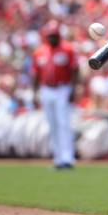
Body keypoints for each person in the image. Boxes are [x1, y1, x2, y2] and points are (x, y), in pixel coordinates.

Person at [32, 20, 79, 170]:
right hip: (46, 89)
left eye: (54, 35)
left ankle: (68, 158)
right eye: (50, 36)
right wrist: (35, 93)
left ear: (59, 36)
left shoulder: (67, 49)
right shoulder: (40, 51)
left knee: (64, 123)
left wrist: (73, 90)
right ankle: (58, 159)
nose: (52, 38)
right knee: (52, 125)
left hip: (62, 88)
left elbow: (74, 71)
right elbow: (35, 74)